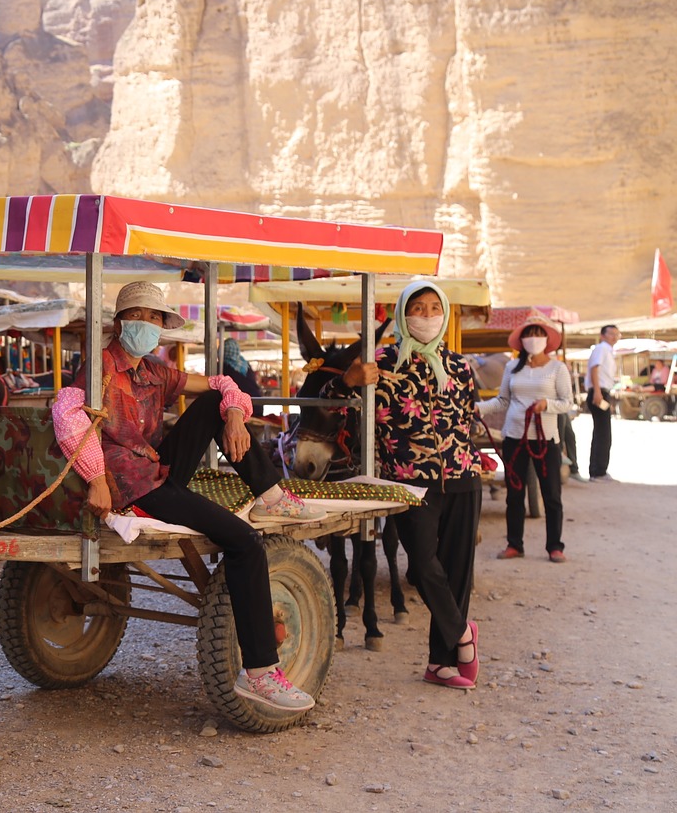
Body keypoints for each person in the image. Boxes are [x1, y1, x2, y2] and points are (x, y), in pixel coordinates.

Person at [52, 282, 324, 713]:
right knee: (245, 543)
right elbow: (67, 414)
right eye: (138, 316)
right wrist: (96, 478)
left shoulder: (155, 370)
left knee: (216, 399)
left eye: (155, 318)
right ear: (120, 322)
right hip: (132, 487)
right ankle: (259, 674)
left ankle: (270, 493)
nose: (147, 324)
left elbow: (221, 383)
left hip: (157, 468)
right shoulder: (100, 367)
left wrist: (234, 414)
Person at [329, 280, 483, 690]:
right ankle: (463, 633)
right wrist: (348, 380)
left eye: (435, 308)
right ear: (402, 313)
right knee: (420, 567)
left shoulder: (460, 366)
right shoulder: (381, 361)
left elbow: (466, 420)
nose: (428, 316)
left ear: (445, 314)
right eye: (419, 307)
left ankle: (440, 663)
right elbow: (332, 406)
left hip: (463, 476)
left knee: (456, 573)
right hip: (410, 483)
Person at [479, 317, 575, 562]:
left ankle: (555, 546)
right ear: (521, 341)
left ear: (546, 340)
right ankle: (514, 544)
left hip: (546, 439)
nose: (533, 339)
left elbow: (567, 403)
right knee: (514, 493)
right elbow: (502, 400)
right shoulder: (512, 367)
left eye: (538, 334)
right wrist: (478, 408)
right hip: (514, 437)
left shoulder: (557, 369)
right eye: (528, 335)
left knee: (551, 494)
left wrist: (547, 404)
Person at [584, 324, 621, 481]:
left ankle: (598, 469)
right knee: (603, 433)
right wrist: (597, 391)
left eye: (616, 334)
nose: (614, 336)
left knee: (602, 432)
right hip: (598, 392)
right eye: (611, 333)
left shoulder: (608, 351)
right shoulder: (602, 348)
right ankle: (598, 471)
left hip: (603, 392)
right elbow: (594, 368)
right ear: (603, 335)